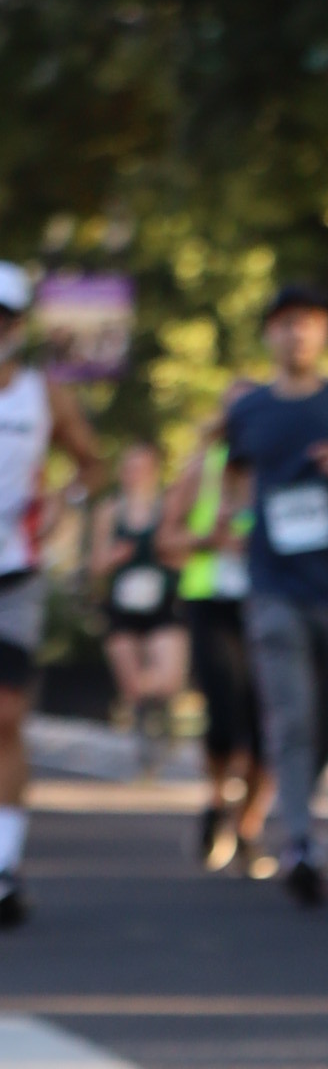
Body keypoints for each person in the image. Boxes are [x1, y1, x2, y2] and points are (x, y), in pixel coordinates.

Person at [222, 284, 328, 908]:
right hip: (273, 586)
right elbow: (234, 477)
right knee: (289, 716)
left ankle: (301, 812)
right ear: (270, 334)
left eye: (309, 322)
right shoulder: (250, 410)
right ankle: (302, 840)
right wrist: (238, 522)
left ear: (324, 333)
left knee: (325, 719)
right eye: (286, 323)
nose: (297, 333)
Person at [0, 262, 106, 925]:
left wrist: (67, 500)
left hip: (16, 573)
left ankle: (4, 865)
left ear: (17, 325)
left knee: (6, 717)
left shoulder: (44, 396)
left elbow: (92, 464)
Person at [172, 416, 269, 870]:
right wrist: (206, 538)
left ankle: (248, 826)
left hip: (268, 606)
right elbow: (166, 539)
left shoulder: (278, 468)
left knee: (266, 722)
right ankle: (216, 799)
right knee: (224, 716)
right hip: (211, 605)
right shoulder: (201, 471)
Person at [93, 440, 187, 757]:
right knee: (131, 686)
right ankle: (144, 733)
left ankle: (159, 713)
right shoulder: (110, 510)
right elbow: (96, 565)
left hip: (162, 603)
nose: (135, 474)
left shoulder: (167, 507)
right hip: (123, 605)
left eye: (141, 467)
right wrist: (114, 557)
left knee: (168, 681)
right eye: (130, 467)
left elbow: (182, 553)